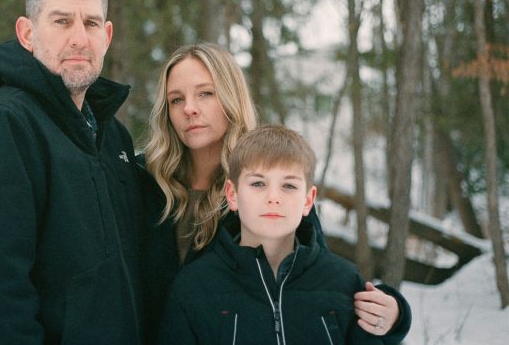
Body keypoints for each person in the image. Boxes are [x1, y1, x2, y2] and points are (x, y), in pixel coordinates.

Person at [0, 0, 146, 343]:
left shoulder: (113, 137)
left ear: (107, 36)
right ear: (27, 34)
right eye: (62, 22)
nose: (79, 38)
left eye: (92, 23)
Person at [139, 43, 410, 343]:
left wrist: (395, 314)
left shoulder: (270, 183)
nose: (189, 108)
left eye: (205, 93)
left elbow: (311, 281)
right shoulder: (143, 181)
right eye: (176, 99)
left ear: (231, 97)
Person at [157, 124, 386, 344]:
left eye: (289, 186)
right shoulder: (194, 289)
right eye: (258, 183)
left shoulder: (343, 282)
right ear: (233, 195)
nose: (273, 197)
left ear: (308, 201)